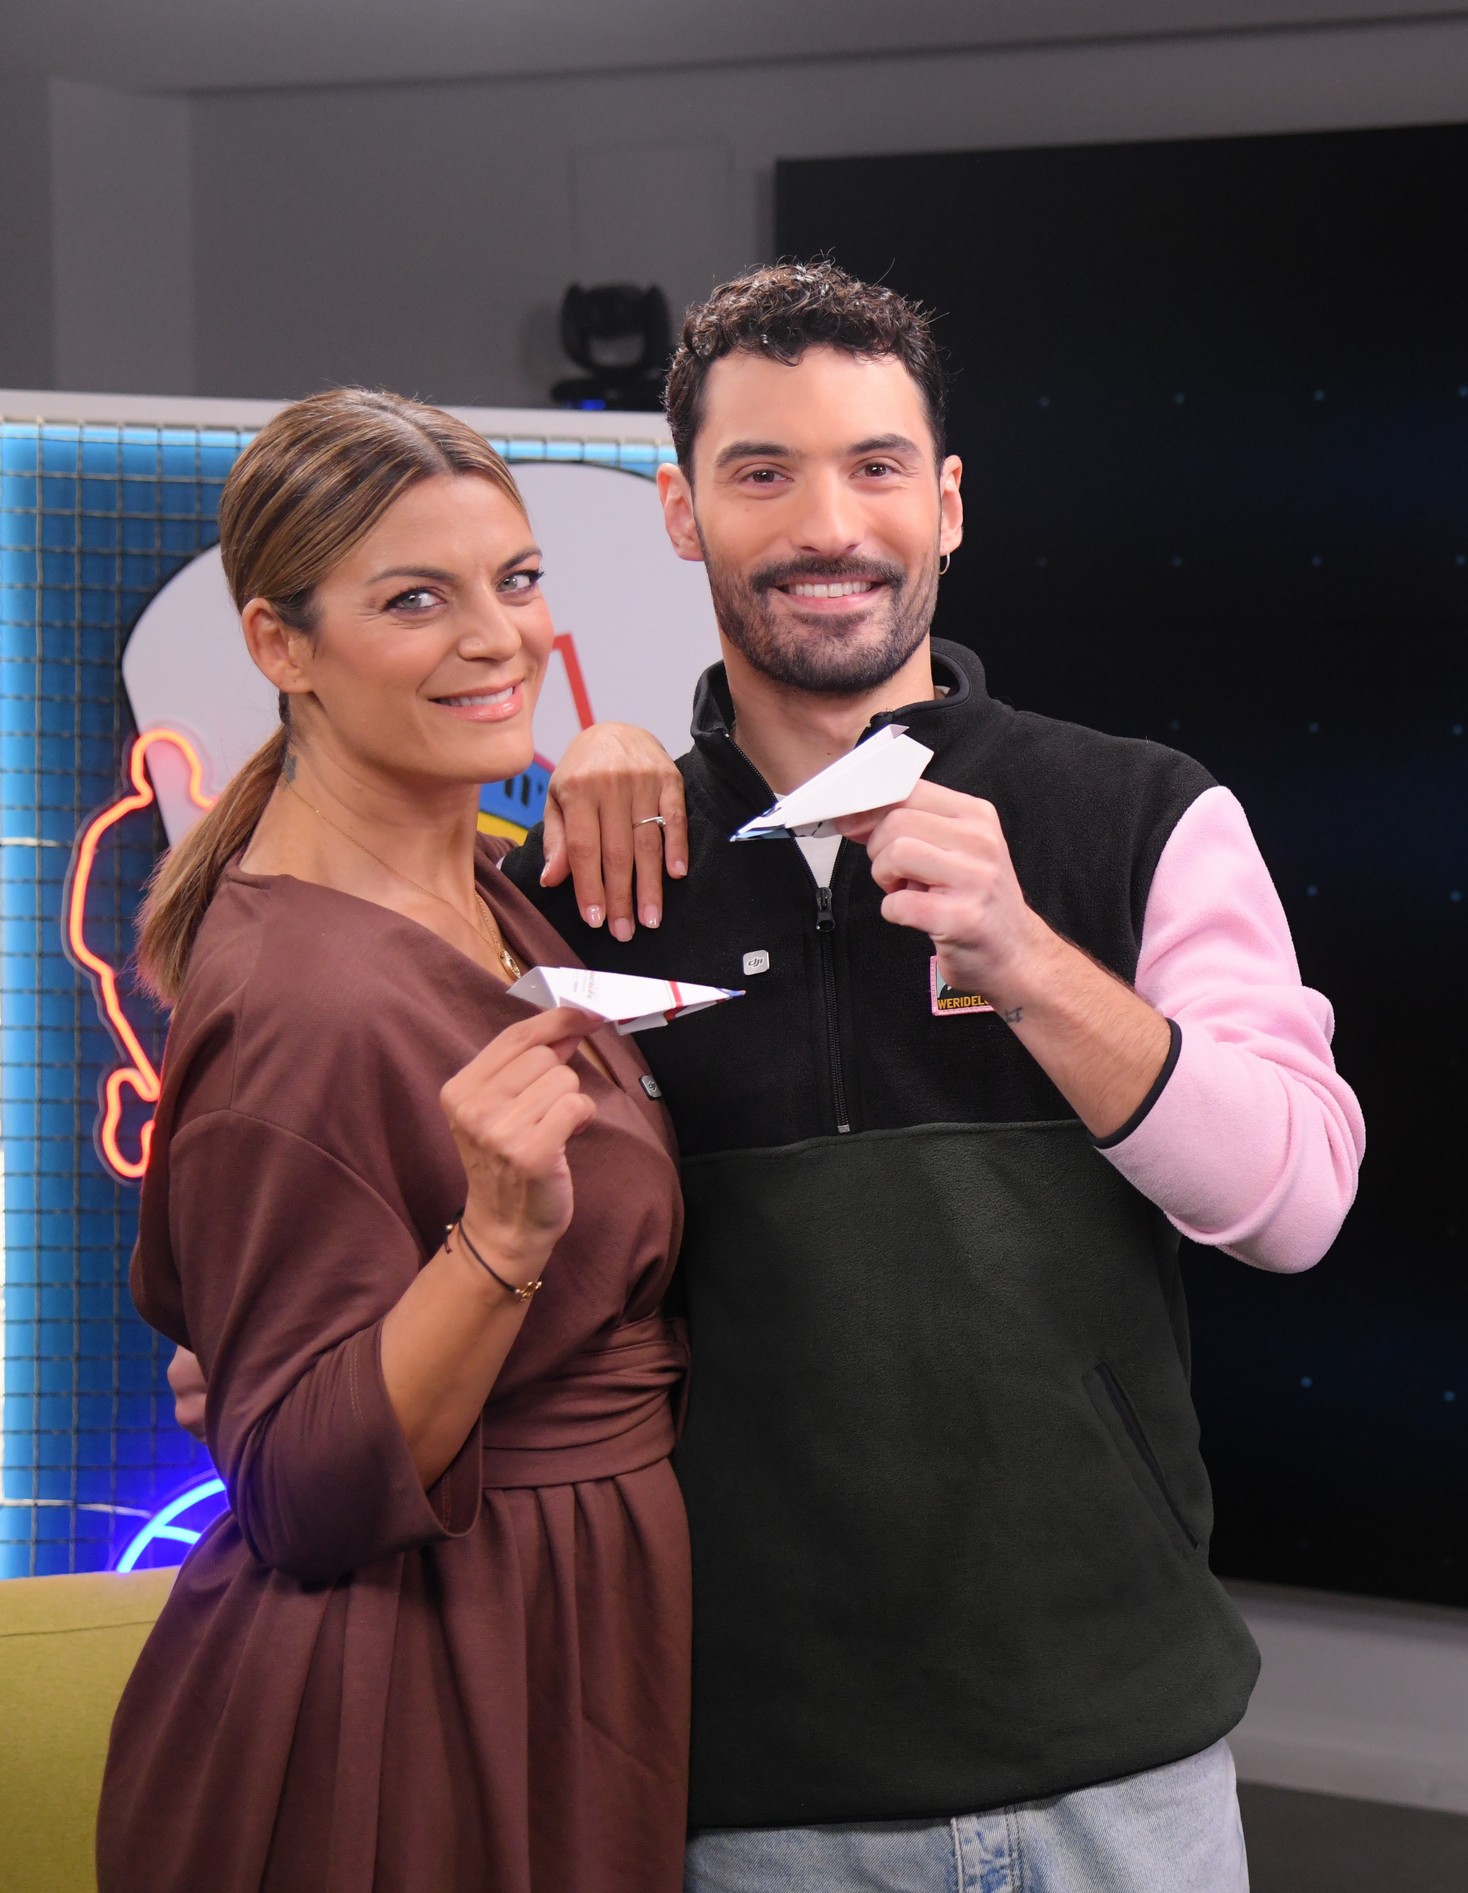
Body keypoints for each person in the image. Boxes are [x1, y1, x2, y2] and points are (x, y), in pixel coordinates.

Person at [510, 262, 1366, 1891]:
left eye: (876, 466)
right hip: (749, 1788)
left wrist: (1028, 957)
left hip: (1123, 1764)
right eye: (763, 472)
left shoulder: (1143, 812)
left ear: (949, 504)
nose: (828, 524)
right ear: (682, 513)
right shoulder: (592, 873)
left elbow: (1297, 1201)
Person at [106, 391, 692, 1892]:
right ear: (280, 646)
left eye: (516, 580)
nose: (498, 638)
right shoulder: (302, 998)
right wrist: (497, 1241)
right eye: (415, 600)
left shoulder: (478, 891)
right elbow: (300, 1491)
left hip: (548, 1648)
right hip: (404, 1709)